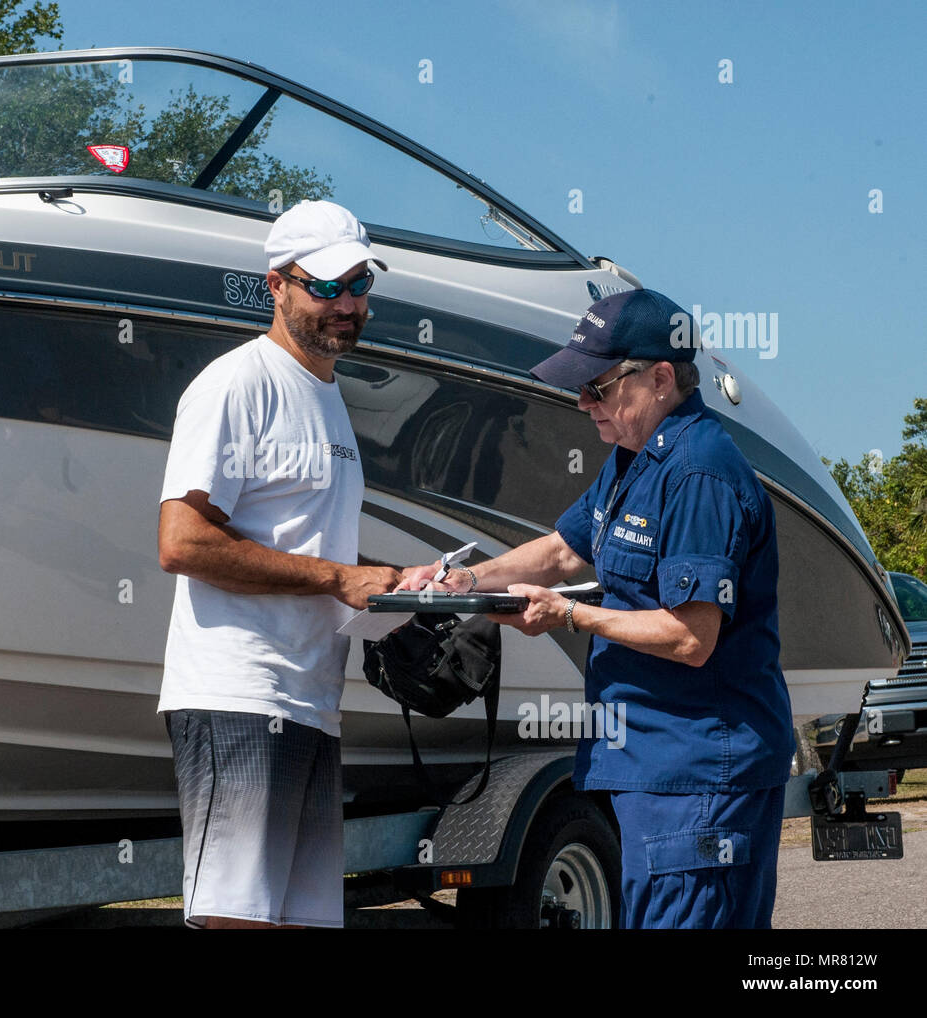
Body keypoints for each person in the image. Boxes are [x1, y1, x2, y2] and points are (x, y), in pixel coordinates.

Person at [398, 288, 794, 929]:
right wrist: (461, 578)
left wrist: (569, 616)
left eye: (598, 387)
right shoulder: (634, 460)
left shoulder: (698, 474)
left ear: (661, 378)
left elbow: (691, 637)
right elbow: (561, 552)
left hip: (697, 774)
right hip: (655, 768)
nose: (583, 403)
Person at [157, 200, 401, 929]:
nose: (346, 304)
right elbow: (182, 543)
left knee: (301, 924)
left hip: (310, 699)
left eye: (359, 286)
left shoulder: (328, 399)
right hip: (239, 691)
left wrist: (388, 579)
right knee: (239, 921)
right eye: (325, 287)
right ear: (277, 286)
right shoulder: (238, 382)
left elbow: (311, 550)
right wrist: (335, 578)